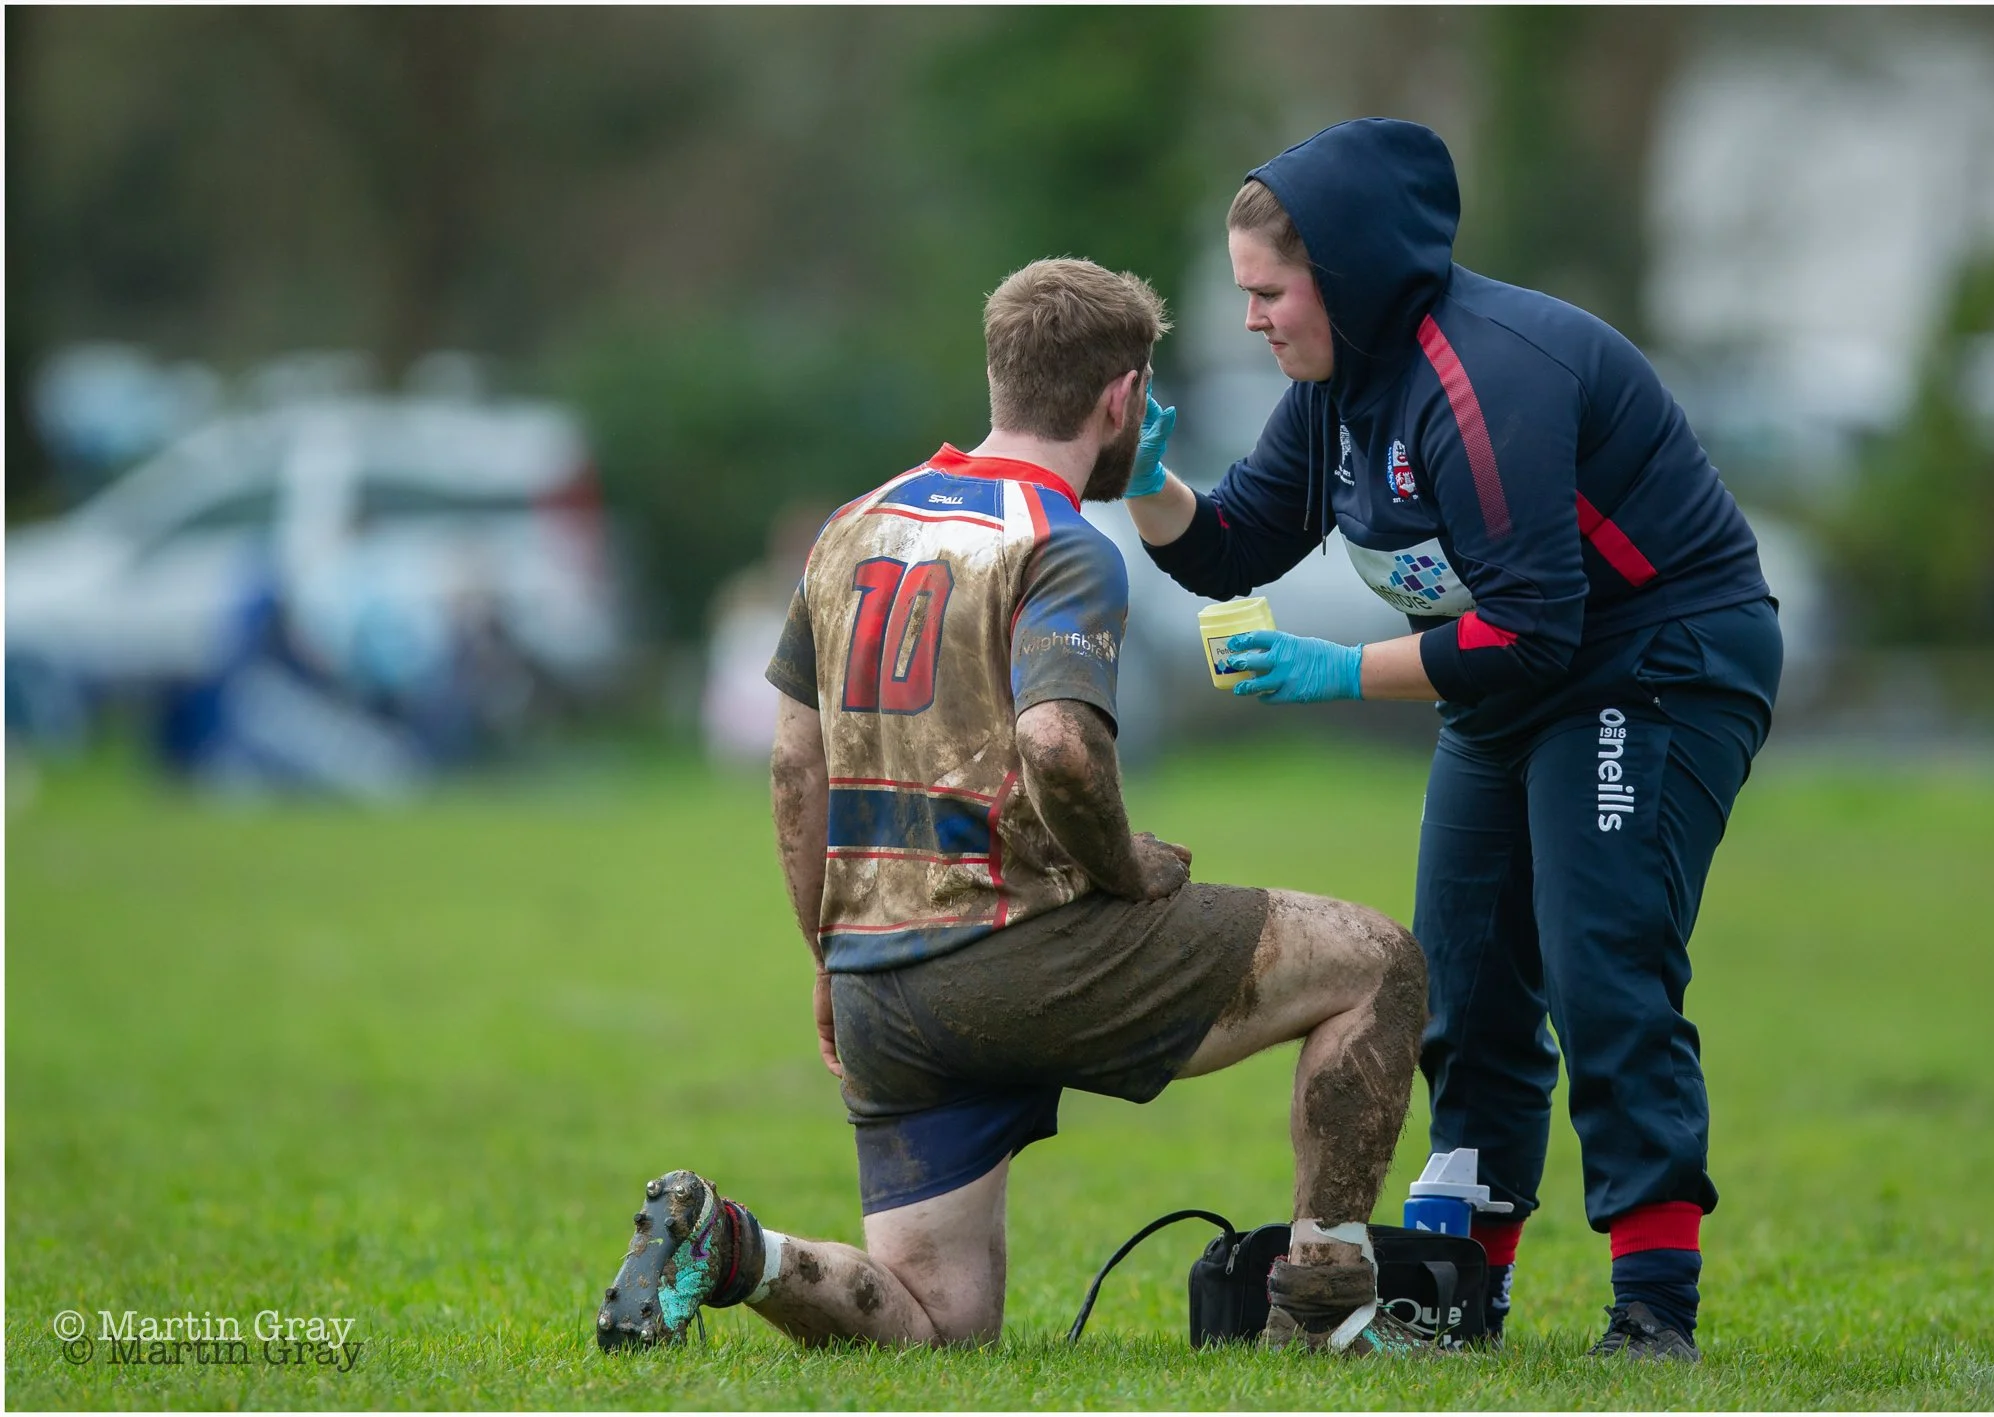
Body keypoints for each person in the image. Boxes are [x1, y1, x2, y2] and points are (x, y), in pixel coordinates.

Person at [596, 257, 1435, 1356]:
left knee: (937, 1325)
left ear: (1000, 376)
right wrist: (1128, 868)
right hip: (1019, 956)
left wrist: (827, 953)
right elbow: (1057, 745)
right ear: (1121, 399)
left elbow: (793, 771)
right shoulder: (1061, 543)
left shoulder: (849, 527)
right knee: (1376, 960)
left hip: (880, 985)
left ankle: (734, 1247)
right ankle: (1325, 1310)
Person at [1122, 119, 1783, 1363]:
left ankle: (1652, 1306)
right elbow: (1230, 546)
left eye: (1267, 292)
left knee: (1600, 961)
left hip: (1652, 665)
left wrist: (1332, 670)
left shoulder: (1486, 376)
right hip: (1511, 677)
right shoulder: (1338, 387)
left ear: (1349, 275)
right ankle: (1460, 1288)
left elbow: (1534, 629)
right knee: (1460, 985)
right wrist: (1146, 483)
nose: (1252, 319)